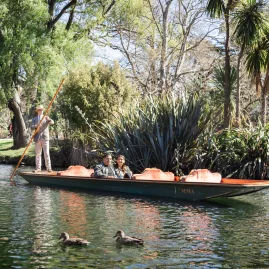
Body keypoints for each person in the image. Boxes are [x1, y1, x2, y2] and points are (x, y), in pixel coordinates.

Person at [31, 105, 54, 173]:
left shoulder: (46, 117)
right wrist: (36, 125)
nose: (40, 111)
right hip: (37, 138)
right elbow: (31, 127)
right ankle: (38, 168)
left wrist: (49, 120)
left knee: (46, 153)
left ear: (43, 110)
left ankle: (49, 168)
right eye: (39, 110)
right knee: (38, 154)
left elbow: (52, 122)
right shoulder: (34, 119)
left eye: (41, 110)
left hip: (45, 137)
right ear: (37, 111)